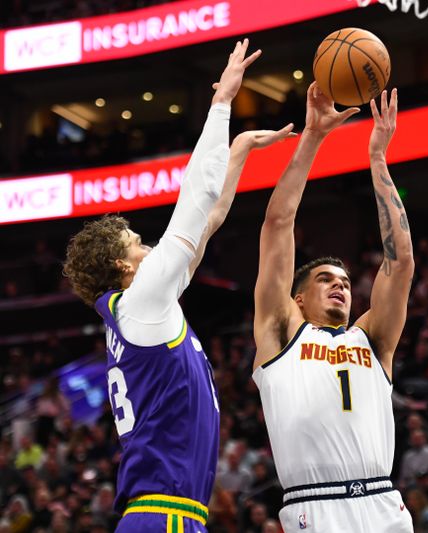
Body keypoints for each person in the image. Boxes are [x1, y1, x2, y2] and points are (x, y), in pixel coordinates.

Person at [63, 39, 295, 532]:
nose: (150, 249)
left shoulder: (145, 310)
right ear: (123, 267)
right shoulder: (142, 303)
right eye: (138, 243)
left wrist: (236, 156)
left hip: (165, 514)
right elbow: (194, 200)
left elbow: (206, 221)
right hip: (164, 516)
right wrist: (222, 103)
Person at [251, 86, 414, 532]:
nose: (340, 287)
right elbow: (277, 224)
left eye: (344, 282)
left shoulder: (372, 337)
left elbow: (400, 262)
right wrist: (313, 137)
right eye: (325, 280)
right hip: (314, 507)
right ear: (297, 297)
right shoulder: (282, 330)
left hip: (383, 502)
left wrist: (378, 157)